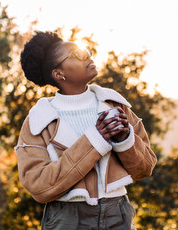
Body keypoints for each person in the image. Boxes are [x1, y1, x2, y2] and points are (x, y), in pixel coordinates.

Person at [15, 31, 157, 230]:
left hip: (118, 213)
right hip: (66, 219)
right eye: (77, 55)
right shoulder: (39, 120)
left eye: (86, 51)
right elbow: (39, 186)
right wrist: (95, 140)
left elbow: (145, 168)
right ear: (59, 74)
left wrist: (125, 141)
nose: (88, 56)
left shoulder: (115, 105)